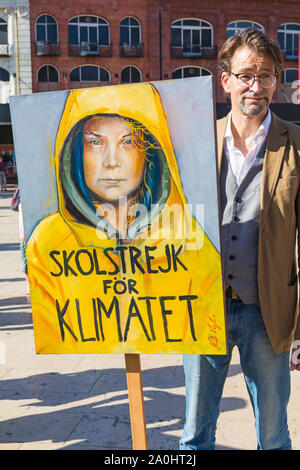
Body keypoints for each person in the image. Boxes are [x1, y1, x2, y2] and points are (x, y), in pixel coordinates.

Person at [24, 84, 224, 355]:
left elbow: (207, 327)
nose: (111, 162)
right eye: (96, 142)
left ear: (151, 154)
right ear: (74, 151)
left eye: (128, 142)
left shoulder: (187, 237)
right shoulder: (49, 241)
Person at [180, 28, 300, 451]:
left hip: (266, 313)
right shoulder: (194, 140)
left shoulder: (296, 144)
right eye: (247, 75)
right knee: (194, 436)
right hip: (201, 307)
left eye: (266, 76)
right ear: (225, 79)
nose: (257, 86)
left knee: (273, 435)